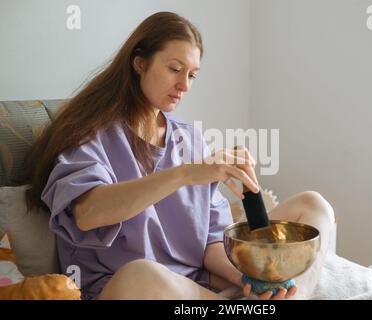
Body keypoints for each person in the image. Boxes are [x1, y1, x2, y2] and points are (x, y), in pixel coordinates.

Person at [24, 11, 335, 300]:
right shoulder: (90, 133)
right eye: (175, 69)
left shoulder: (188, 138)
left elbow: (212, 245)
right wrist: (185, 173)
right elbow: (88, 213)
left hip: (196, 287)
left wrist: (251, 279)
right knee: (140, 274)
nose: (184, 85)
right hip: (127, 288)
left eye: (192, 75)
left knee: (314, 204)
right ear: (140, 63)